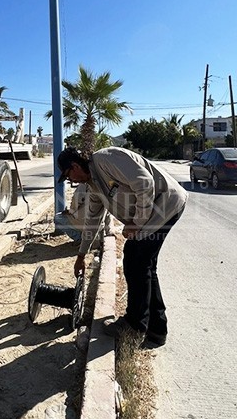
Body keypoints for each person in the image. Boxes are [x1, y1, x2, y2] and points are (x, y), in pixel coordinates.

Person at [57, 146, 187, 347]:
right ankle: (157, 330)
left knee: (136, 260)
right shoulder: (93, 186)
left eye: (69, 176)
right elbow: (92, 221)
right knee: (144, 266)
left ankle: (135, 326)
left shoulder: (106, 159)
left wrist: (136, 222)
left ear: (75, 166)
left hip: (165, 203)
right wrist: (81, 255)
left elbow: (144, 182)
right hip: (155, 212)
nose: (72, 181)